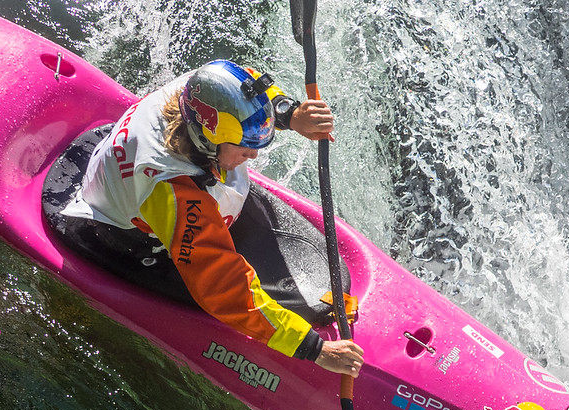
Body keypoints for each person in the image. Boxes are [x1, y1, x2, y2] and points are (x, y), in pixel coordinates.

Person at [58, 60, 363, 378]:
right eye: (244, 147)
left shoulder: (205, 89)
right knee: (213, 274)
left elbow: (249, 84)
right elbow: (222, 287)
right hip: (128, 238)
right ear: (208, 140)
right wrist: (314, 349)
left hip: (144, 183)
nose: (254, 155)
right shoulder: (172, 189)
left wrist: (291, 114)